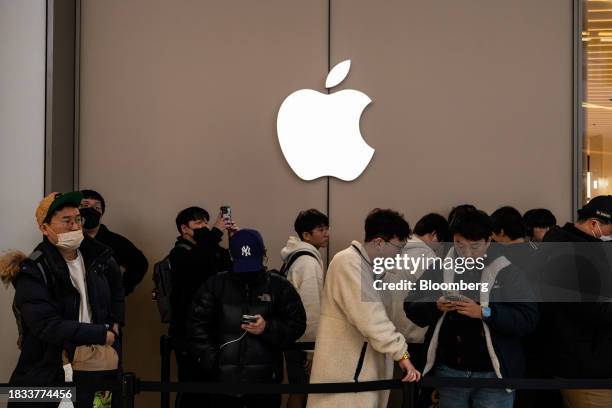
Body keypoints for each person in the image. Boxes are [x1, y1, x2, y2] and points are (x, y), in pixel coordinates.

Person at [404, 209, 538, 408]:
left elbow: (528, 318)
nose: (467, 253)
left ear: (488, 240)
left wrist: (484, 312)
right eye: (459, 244)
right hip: (449, 371)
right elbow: (411, 304)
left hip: (494, 374)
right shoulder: (440, 266)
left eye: (475, 246)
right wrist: (435, 306)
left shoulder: (508, 271)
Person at [2, 192, 124, 408]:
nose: (75, 226)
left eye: (78, 219)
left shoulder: (100, 259)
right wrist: (101, 334)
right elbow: (46, 325)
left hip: (97, 365)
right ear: (44, 228)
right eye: (66, 221)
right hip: (50, 369)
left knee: (100, 404)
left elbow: (116, 292)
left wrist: (114, 324)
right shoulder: (33, 269)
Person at [307, 208, 421, 408]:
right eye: (398, 247)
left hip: (359, 376)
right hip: (346, 381)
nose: (399, 254)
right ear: (378, 242)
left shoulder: (372, 268)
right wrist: (401, 354)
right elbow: (370, 318)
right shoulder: (348, 262)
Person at [188, 229, 306, 408]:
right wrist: (212, 361)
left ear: (263, 255)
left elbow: (297, 323)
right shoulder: (215, 285)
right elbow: (196, 326)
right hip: (223, 384)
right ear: (232, 256)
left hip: (265, 383)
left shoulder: (278, 285)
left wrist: (267, 328)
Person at [540, 196, 612, 408]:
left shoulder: (563, 244)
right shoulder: (574, 253)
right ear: (594, 224)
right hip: (586, 365)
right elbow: (592, 310)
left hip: (580, 358)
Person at [169, 206, 234, 408]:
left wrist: (234, 239)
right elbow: (196, 263)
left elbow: (230, 269)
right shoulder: (178, 253)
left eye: (206, 222)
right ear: (184, 229)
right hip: (187, 333)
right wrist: (214, 233)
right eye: (198, 223)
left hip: (214, 330)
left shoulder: (210, 249)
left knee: (214, 389)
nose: (204, 227)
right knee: (193, 389)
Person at [280, 209, 329, 408]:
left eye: (326, 228)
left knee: (298, 389)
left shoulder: (297, 257)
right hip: (302, 341)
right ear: (306, 235)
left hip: (293, 336)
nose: (326, 233)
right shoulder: (308, 262)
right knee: (302, 390)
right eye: (321, 229)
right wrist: (310, 349)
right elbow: (311, 307)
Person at [79, 189, 148, 296]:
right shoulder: (68, 240)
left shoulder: (115, 242)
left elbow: (140, 264)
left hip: (105, 307)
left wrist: (120, 290)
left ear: (102, 214)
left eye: (97, 208)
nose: (90, 210)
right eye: (84, 206)